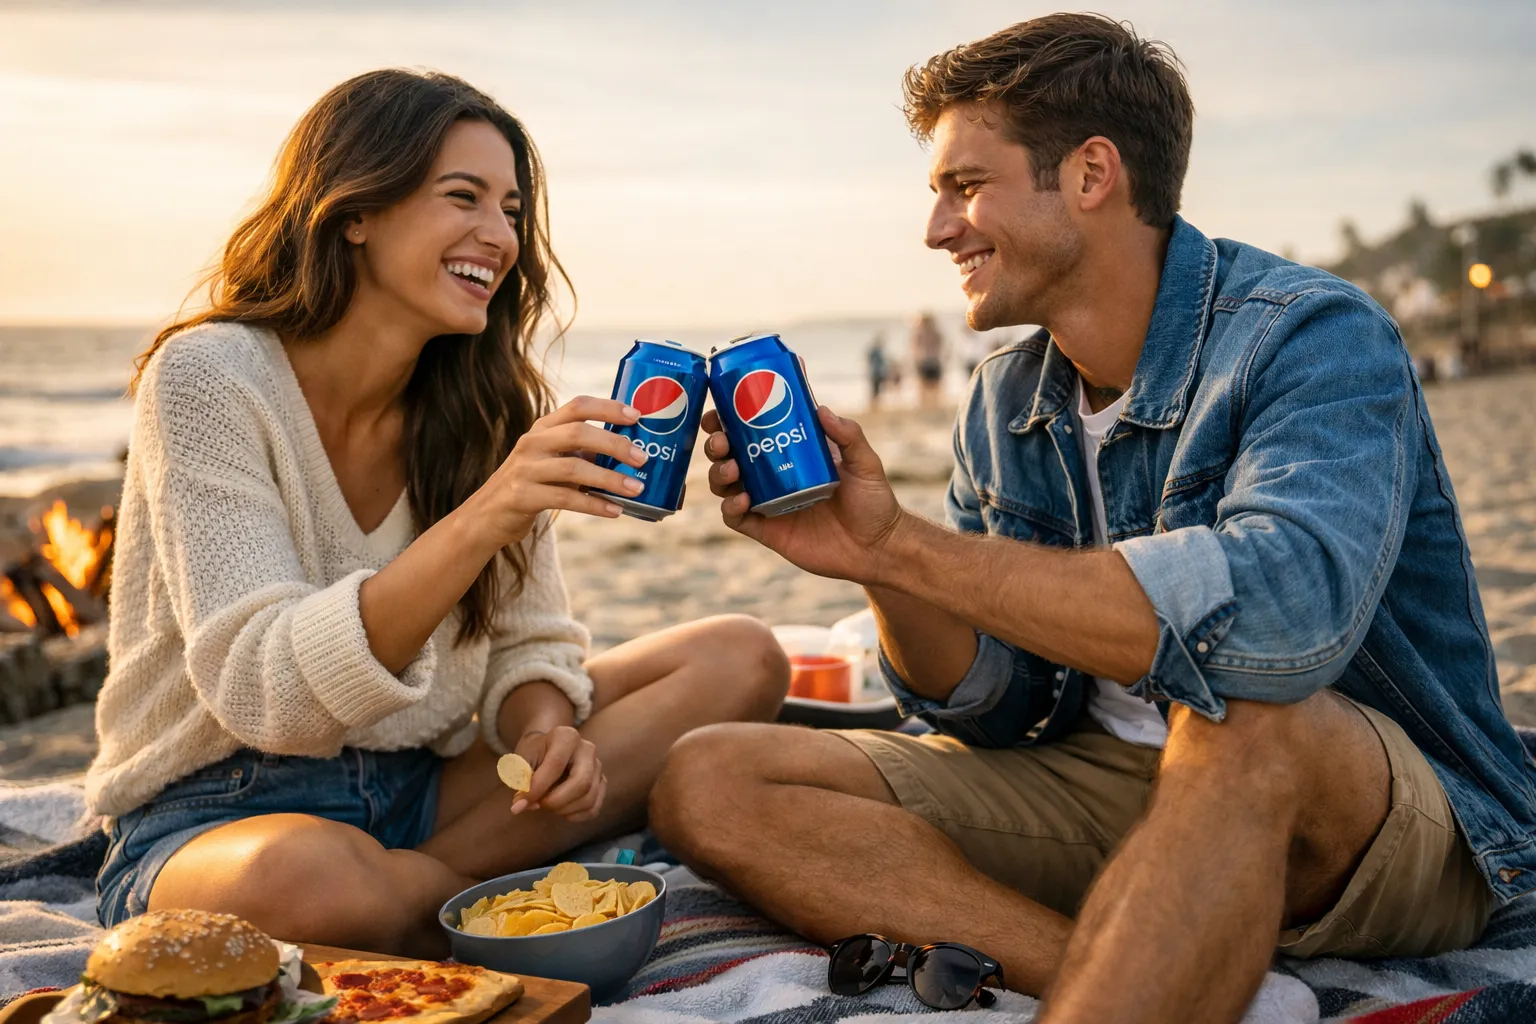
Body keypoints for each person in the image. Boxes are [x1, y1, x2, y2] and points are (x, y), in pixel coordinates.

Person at [650, 15, 1534, 1024]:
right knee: (711, 776)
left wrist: (908, 543)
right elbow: (995, 707)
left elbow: (1278, 629)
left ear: (1091, 174)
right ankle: (1161, 971)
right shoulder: (1007, 397)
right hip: (1128, 787)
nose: (937, 229)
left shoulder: (1313, 336)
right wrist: (877, 559)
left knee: (1239, 711)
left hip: (1379, 812)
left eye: (964, 185)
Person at [89, 69, 789, 954]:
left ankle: (433, 896)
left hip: (422, 792)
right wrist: (489, 511)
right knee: (316, 882)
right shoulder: (210, 376)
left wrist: (545, 733)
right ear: (356, 210)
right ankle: (479, 895)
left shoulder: (486, 412)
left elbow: (532, 645)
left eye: (511, 210)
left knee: (739, 656)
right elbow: (270, 699)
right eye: (463, 197)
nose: (499, 237)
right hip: (217, 814)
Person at [909, 311, 946, 409]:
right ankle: (932, 404)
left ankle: (926, 405)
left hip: (927, 360)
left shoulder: (920, 333)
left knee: (926, 384)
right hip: (932, 360)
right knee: (932, 385)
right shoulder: (935, 332)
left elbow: (915, 348)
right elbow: (941, 346)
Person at [866, 332, 889, 410]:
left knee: (877, 389)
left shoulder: (878, 352)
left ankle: (875, 405)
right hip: (875, 373)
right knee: (875, 389)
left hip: (878, 373)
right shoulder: (875, 352)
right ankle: (873, 405)